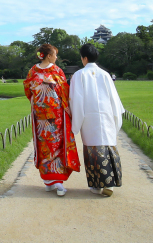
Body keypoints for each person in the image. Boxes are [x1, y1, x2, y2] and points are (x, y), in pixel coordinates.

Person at [23, 43, 80, 196]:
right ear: (48, 55)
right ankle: (52, 181)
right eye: (55, 54)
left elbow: (29, 90)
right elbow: (64, 90)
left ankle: (54, 181)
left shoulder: (33, 71)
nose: (56, 57)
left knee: (53, 145)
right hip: (48, 115)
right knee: (48, 146)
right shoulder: (56, 71)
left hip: (50, 116)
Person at [70, 43, 125, 197]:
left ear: (84, 58)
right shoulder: (105, 74)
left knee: (92, 151)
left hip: (89, 118)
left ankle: (96, 185)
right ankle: (111, 183)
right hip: (106, 116)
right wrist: (116, 117)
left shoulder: (79, 75)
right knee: (108, 147)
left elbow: (76, 100)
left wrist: (75, 124)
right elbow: (114, 98)